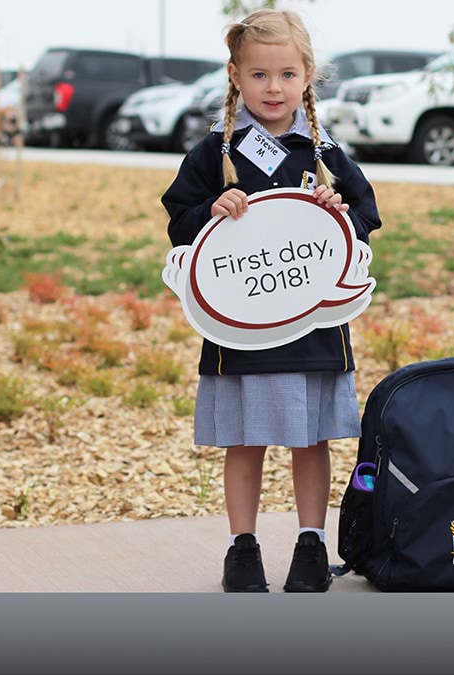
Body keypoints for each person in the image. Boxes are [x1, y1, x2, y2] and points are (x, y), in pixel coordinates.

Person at [161, 8, 381, 593]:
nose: (273, 87)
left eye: (286, 74)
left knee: (311, 438)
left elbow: (368, 214)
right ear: (236, 76)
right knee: (245, 437)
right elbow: (178, 218)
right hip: (244, 329)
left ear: (307, 76)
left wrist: (341, 218)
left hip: (312, 326)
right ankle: (243, 550)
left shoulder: (324, 151)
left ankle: (311, 546)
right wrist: (210, 211)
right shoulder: (217, 149)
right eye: (259, 75)